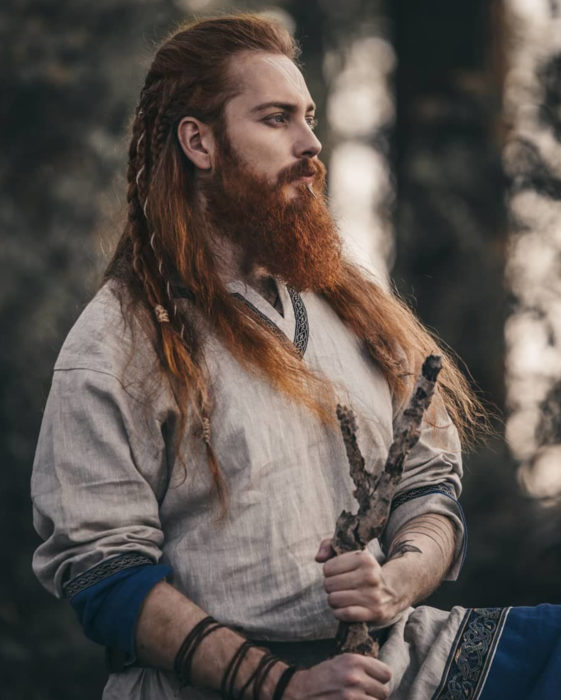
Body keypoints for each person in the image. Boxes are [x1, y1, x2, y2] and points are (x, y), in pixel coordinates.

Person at [31, 14, 510, 700]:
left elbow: (429, 490)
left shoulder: (354, 307)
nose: (311, 143)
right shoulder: (121, 338)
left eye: (309, 116)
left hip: (391, 667)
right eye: (276, 119)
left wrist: (395, 579)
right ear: (199, 141)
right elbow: (102, 570)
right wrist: (285, 686)